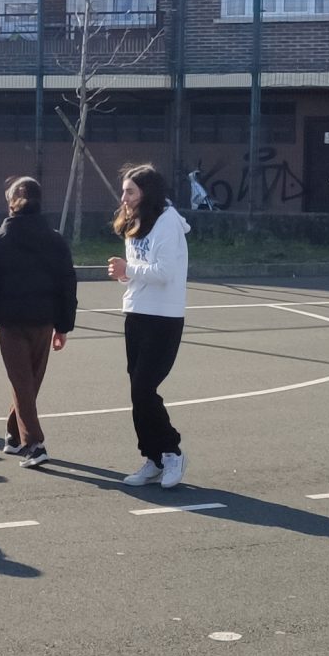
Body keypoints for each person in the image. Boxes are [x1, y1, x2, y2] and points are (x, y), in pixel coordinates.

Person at [0, 176, 78, 468]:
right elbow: (67, 283)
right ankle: (13, 435)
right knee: (27, 382)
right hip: (43, 320)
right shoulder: (55, 240)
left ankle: (34, 443)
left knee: (22, 383)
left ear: (10, 203)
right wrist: (64, 325)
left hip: (10, 321)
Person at [108, 163, 191, 488]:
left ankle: (172, 451)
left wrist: (131, 268)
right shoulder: (135, 220)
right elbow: (141, 271)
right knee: (137, 392)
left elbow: (164, 272)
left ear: (147, 192)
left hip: (164, 316)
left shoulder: (168, 222)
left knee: (145, 388)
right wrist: (124, 275)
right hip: (137, 312)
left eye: (130, 190)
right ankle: (153, 458)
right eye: (124, 190)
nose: (124, 196)